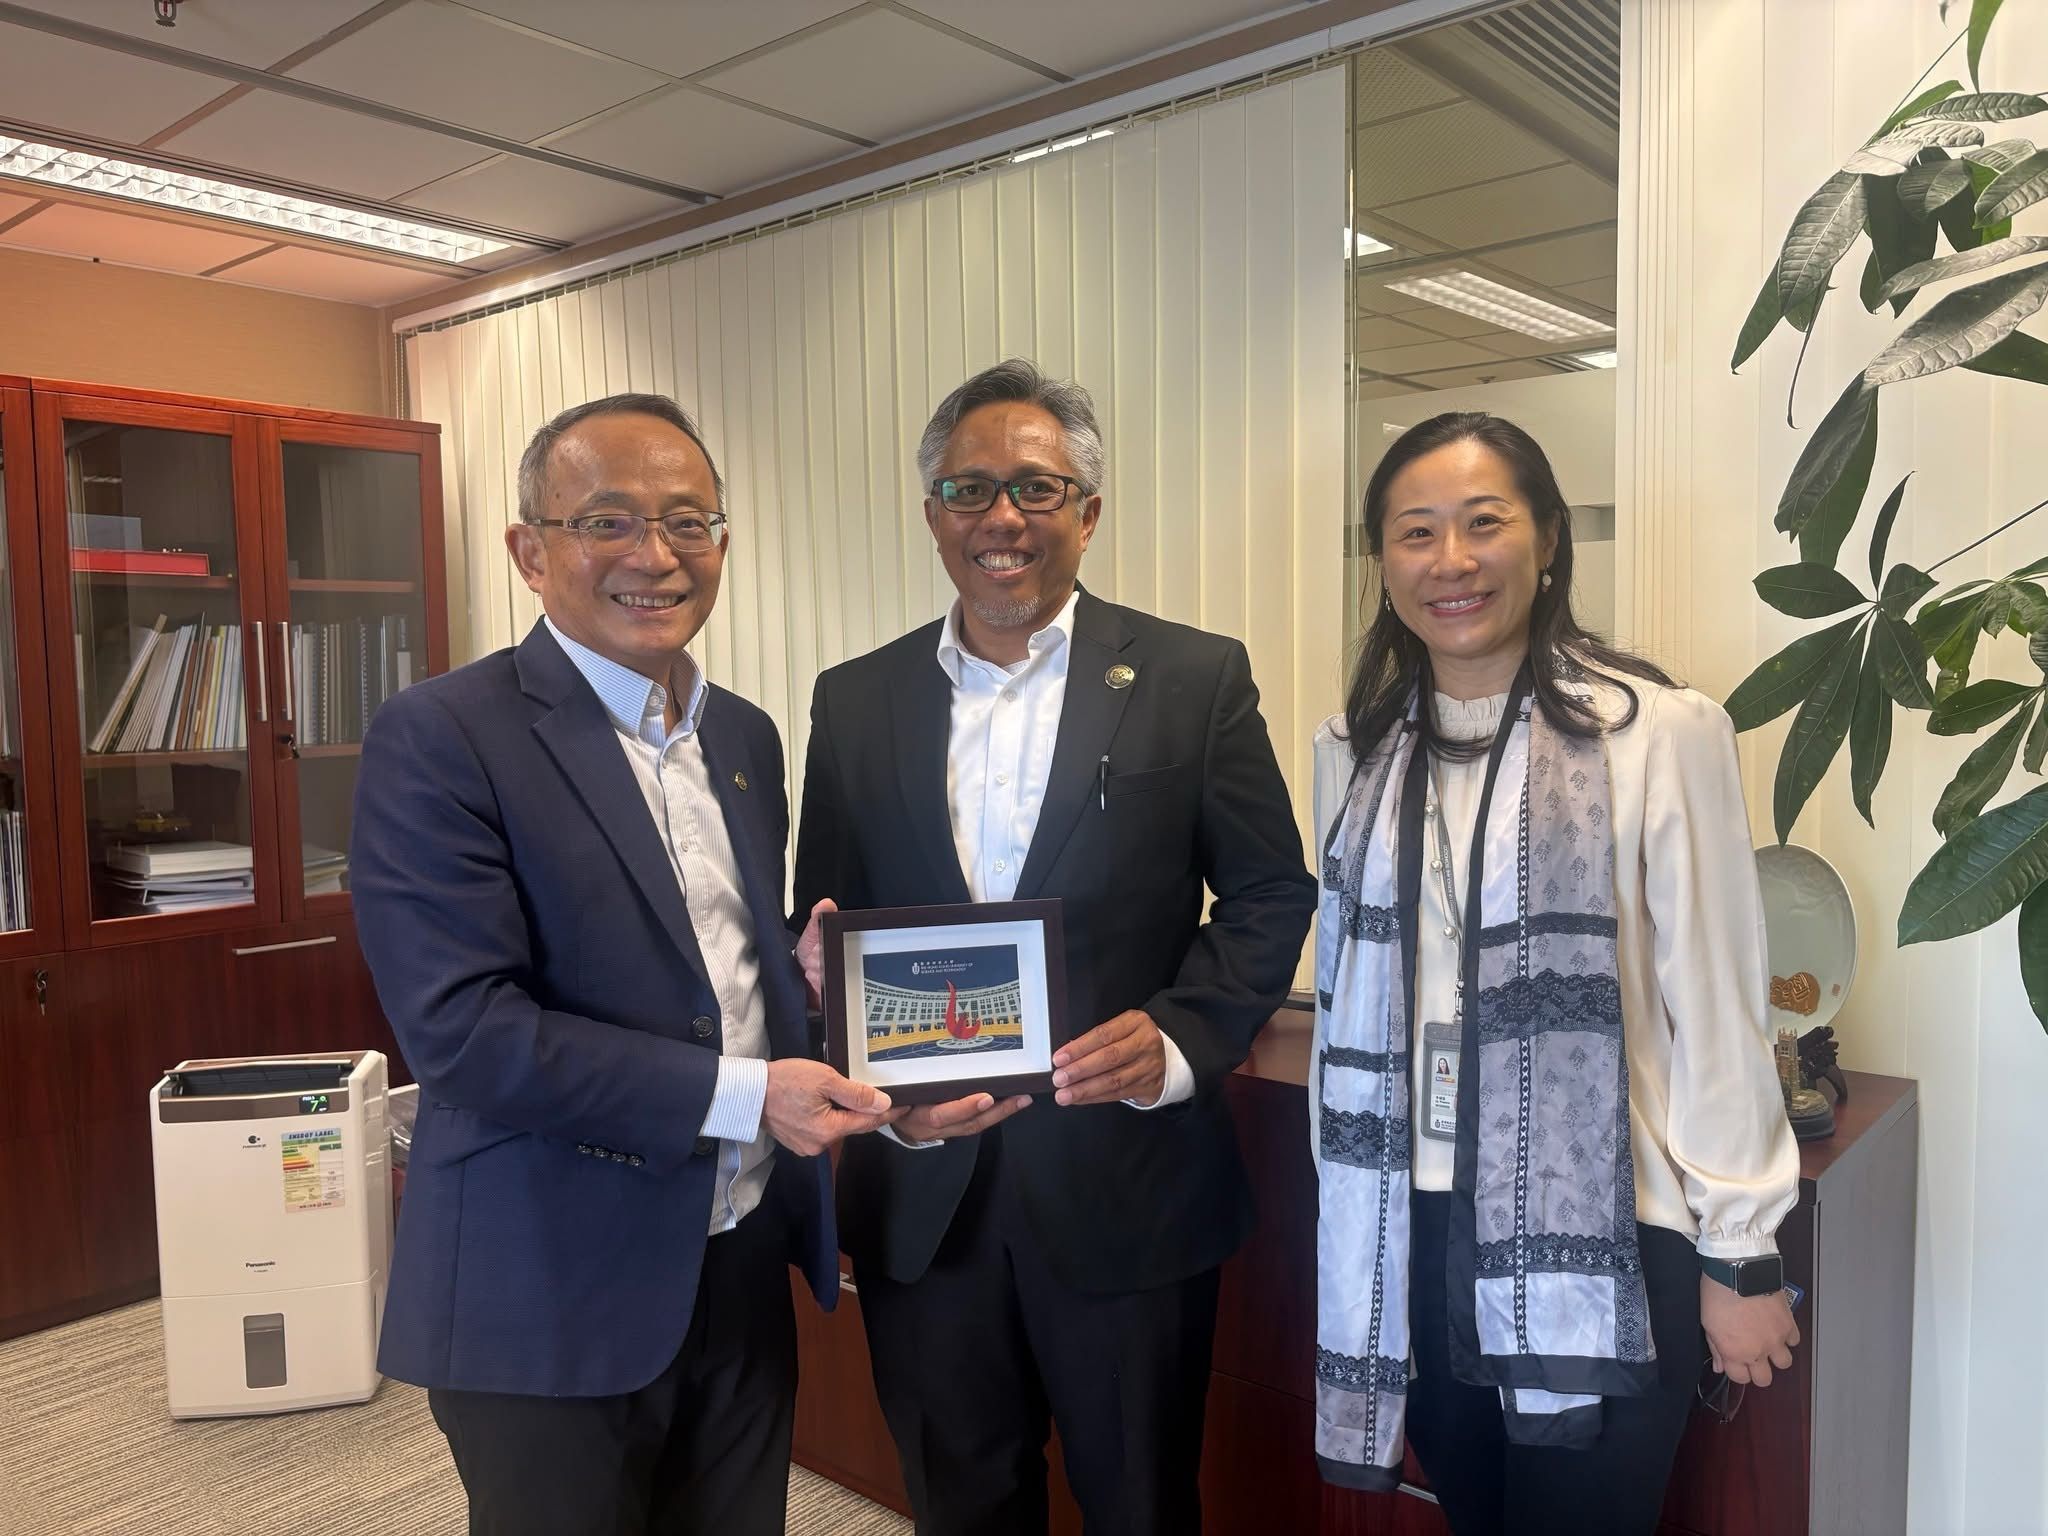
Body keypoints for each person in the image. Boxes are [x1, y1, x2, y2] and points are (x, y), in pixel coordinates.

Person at [351, 393, 897, 1536]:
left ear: (722, 545)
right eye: (608, 521)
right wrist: (752, 1093)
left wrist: (793, 983)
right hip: (546, 1278)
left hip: (736, 1262)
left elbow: (704, 975)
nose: (655, 556)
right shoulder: (442, 733)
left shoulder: (741, 737)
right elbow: (464, 1034)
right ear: (528, 551)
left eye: (687, 521)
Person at [791, 358, 1315, 1534]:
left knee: (1139, 1505)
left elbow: (1270, 893)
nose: (1001, 519)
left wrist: (1180, 1040)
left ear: (1086, 511)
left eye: (1036, 487)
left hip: (1124, 1187)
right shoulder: (854, 698)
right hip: (925, 1190)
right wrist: (816, 970)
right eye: (969, 490)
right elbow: (823, 913)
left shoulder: (1191, 677)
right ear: (933, 516)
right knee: (960, 1502)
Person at [1309, 411, 1802, 1535]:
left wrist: (1739, 1253)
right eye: (1413, 532)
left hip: (1611, 1236)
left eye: (1482, 525)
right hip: (1406, 1225)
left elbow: (1715, 1003)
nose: (1450, 561)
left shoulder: (1656, 732)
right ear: (1382, 564)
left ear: (1545, 543)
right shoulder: (1354, 747)